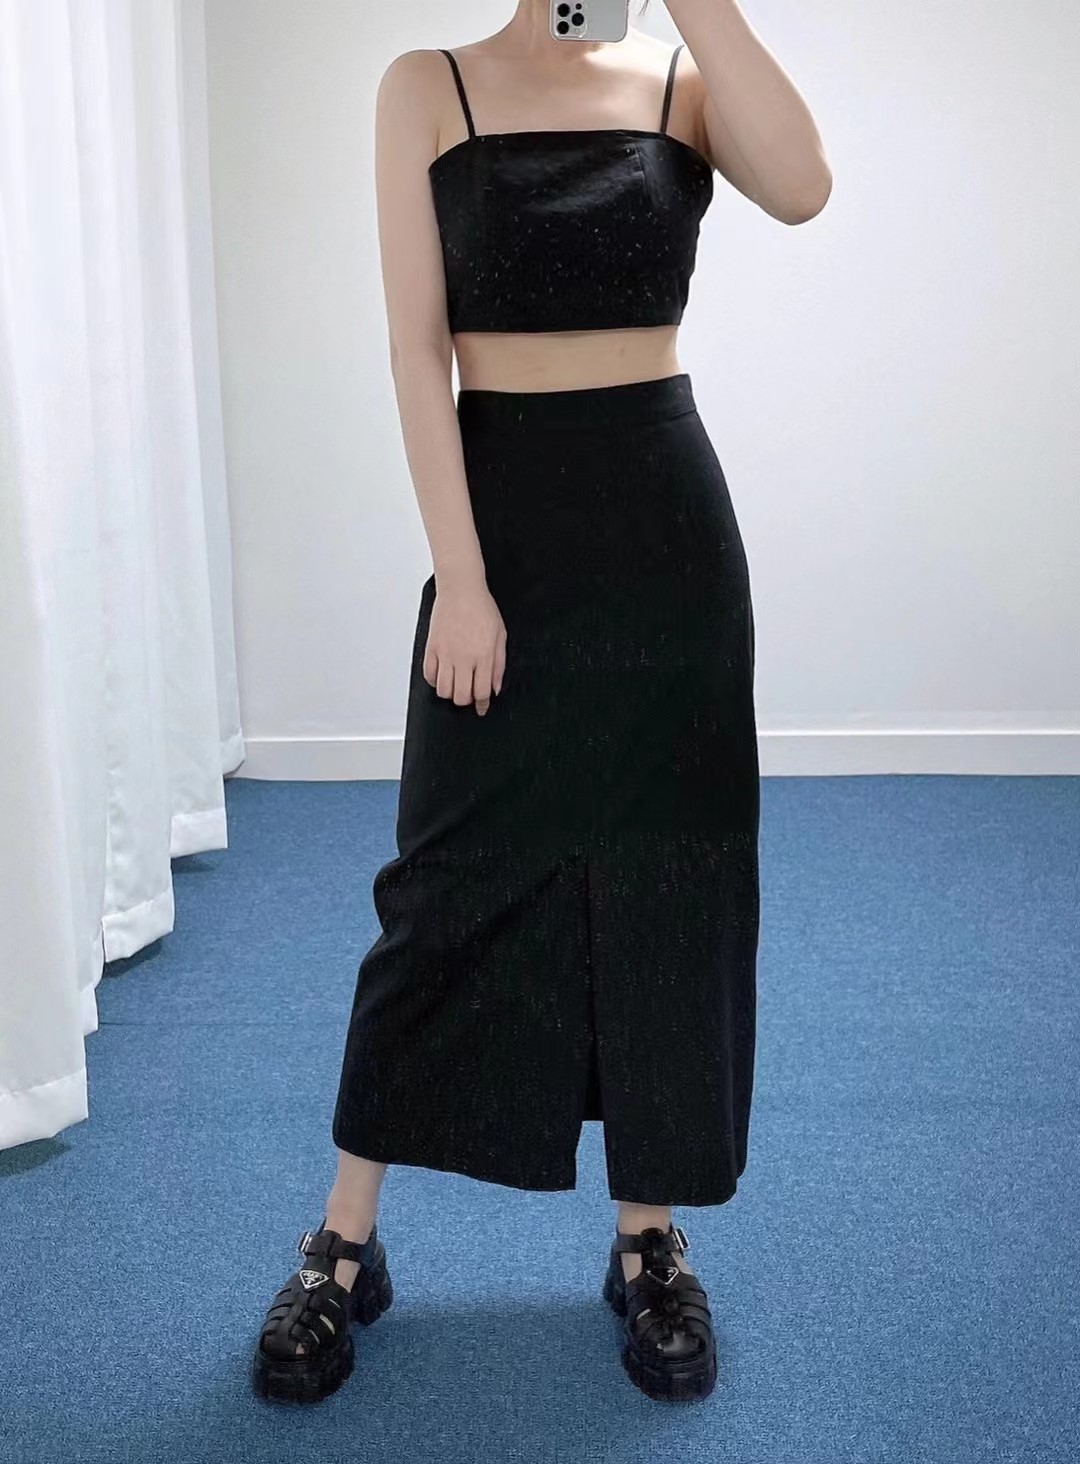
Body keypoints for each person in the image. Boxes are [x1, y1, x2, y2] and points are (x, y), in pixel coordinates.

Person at [252, 0, 831, 1406]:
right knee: (443, 886)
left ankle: (648, 1241)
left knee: (671, 880)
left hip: (666, 530)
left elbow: (805, 187)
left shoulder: (679, 83)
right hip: (501, 517)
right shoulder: (427, 87)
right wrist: (461, 575)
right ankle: (343, 1245)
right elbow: (417, 349)